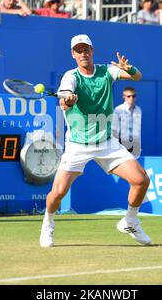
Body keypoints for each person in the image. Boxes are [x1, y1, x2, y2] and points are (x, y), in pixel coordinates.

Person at [39, 34, 151, 248]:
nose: (83, 53)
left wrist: (129, 68)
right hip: (78, 146)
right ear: (73, 54)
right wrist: (68, 100)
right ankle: (48, 224)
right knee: (58, 192)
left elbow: (137, 77)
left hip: (107, 143)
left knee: (141, 180)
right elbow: (64, 101)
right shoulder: (70, 77)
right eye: (78, 50)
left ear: (92, 51)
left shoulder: (106, 71)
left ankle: (130, 221)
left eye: (86, 49)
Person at [112, 86, 142, 158]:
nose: (131, 98)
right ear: (124, 97)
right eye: (128, 96)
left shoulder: (138, 110)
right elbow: (114, 129)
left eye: (133, 96)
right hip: (121, 146)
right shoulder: (118, 110)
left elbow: (138, 130)